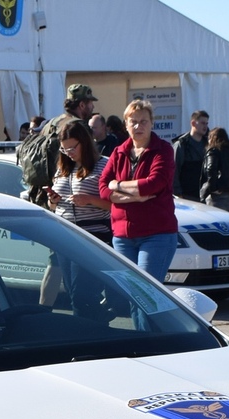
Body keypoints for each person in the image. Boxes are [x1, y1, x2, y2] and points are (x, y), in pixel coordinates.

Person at [100, 98, 178, 284]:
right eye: (133, 121)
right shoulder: (119, 152)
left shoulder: (163, 150)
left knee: (146, 293)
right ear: (126, 125)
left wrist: (117, 185)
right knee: (131, 294)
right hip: (122, 237)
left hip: (156, 235)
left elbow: (152, 184)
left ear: (152, 123)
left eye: (143, 121)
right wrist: (132, 197)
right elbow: (103, 188)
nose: (138, 126)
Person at [46, 120, 113, 314]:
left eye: (72, 148)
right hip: (64, 235)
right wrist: (53, 200)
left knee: (82, 294)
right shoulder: (64, 168)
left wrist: (89, 199)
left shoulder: (104, 165)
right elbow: (52, 207)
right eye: (64, 149)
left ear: (85, 142)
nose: (69, 153)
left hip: (92, 236)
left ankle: (92, 334)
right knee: (73, 292)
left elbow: (114, 204)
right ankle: (94, 328)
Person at [173, 110, 209, 200]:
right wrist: (178, 194)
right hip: (186, 196)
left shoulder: (208, 144)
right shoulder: (181, 144)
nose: (205, 127)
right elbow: (174, 170)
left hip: (204, 196)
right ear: (193, 123)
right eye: (202, 123)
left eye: (206, 124)